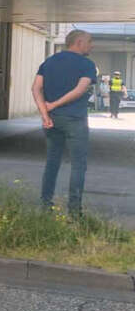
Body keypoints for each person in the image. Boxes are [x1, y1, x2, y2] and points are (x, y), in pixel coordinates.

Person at [33, 29, 96, 216]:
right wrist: (54, 105)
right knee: (78, 164)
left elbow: (35, 88)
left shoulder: (49, 62)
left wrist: (45, 113)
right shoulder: (87, 64)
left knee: (52, 162)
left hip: (53, 121)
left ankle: (45, 205)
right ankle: (74, 212)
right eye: (89, 41)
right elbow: (80, 90)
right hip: (75, 119)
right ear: (78, 42)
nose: (91, 45)